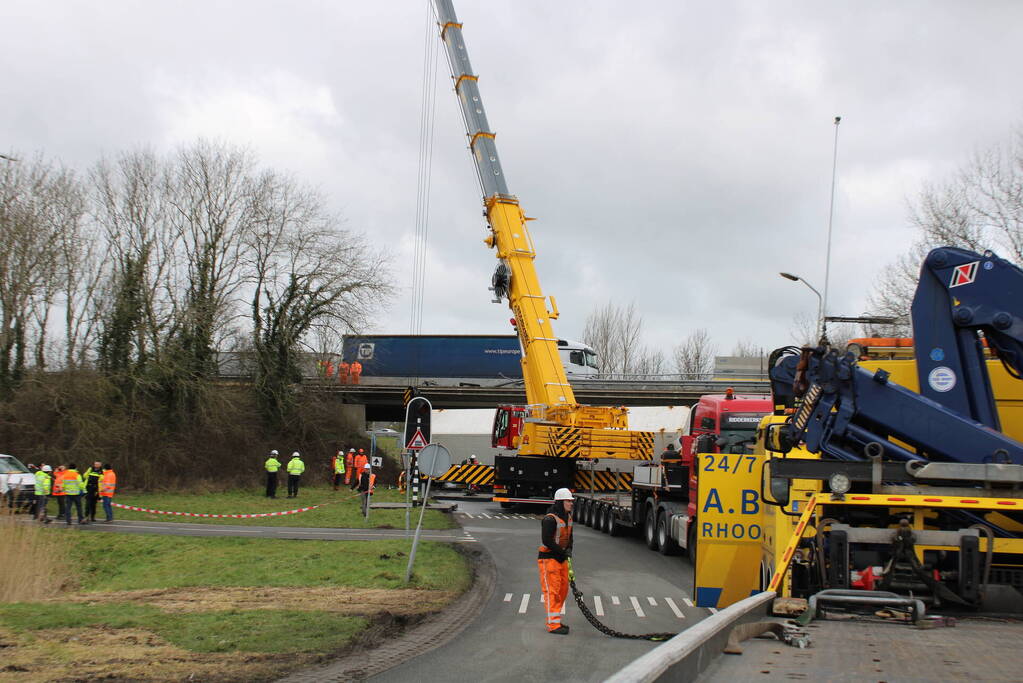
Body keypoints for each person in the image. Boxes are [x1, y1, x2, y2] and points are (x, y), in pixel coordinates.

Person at [538, 488, 574, 635]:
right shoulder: (549, 519)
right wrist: (562, 552)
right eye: (568, 501)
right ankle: (553, 625)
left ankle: (556, 620)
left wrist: (569, 551)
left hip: (562, 558)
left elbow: (570, 536)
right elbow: (546, 540)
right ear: (560, 502)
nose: (571, 504)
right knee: (552, 591)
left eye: (571, 501)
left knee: (562, 590)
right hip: (549, 559)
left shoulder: (568, 517)